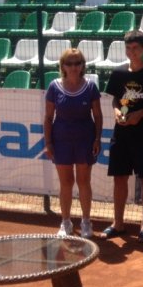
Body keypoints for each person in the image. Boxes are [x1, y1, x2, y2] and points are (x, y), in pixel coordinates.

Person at [101, 30, 143, 242]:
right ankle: (118, 224)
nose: (132, 52)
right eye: (128, 48)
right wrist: (116, 112)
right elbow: (115, 100)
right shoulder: (118, 73)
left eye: (135, 48)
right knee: (119, 178)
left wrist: (140, 114)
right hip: (121, 133)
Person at [44, 48, 103, 239]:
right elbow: (48, 117)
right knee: (66, 182)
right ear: (63, 66)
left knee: (84, 181)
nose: (73, 67)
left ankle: (86, 222)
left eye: (77, 63)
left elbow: (98, 115)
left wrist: (97, 138)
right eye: (69, 63)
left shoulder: (91, 87)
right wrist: (48, 142)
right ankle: (66, 222)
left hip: (85, 140)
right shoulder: (54, 87)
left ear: (83, 65)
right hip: (61, 141)